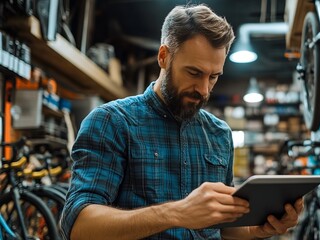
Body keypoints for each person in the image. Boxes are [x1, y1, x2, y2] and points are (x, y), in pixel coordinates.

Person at [60, 4, 303, 240]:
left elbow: (220, 227)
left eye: (214, 76)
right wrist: (176, 213)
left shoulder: (219, 134)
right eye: (194, 73)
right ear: (164, 56)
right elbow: (79, 225)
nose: (204, 89)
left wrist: (256, 230)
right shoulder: (112, 122)